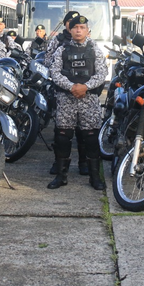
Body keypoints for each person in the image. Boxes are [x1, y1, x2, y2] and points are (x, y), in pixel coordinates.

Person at [47, 15, 107, 191]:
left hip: (88, 99)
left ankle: (95, 177)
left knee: (90, 137)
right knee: (63, 137)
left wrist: (85, 87)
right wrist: (72, 86)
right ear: (70, 30)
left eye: (82, 27)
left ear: (87, 30)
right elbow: (55, 72)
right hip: (67, 99)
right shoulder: (62, 50)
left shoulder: (95, 49)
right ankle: (61, 176)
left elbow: (102, 73)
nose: (78, 30)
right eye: (75, 27)